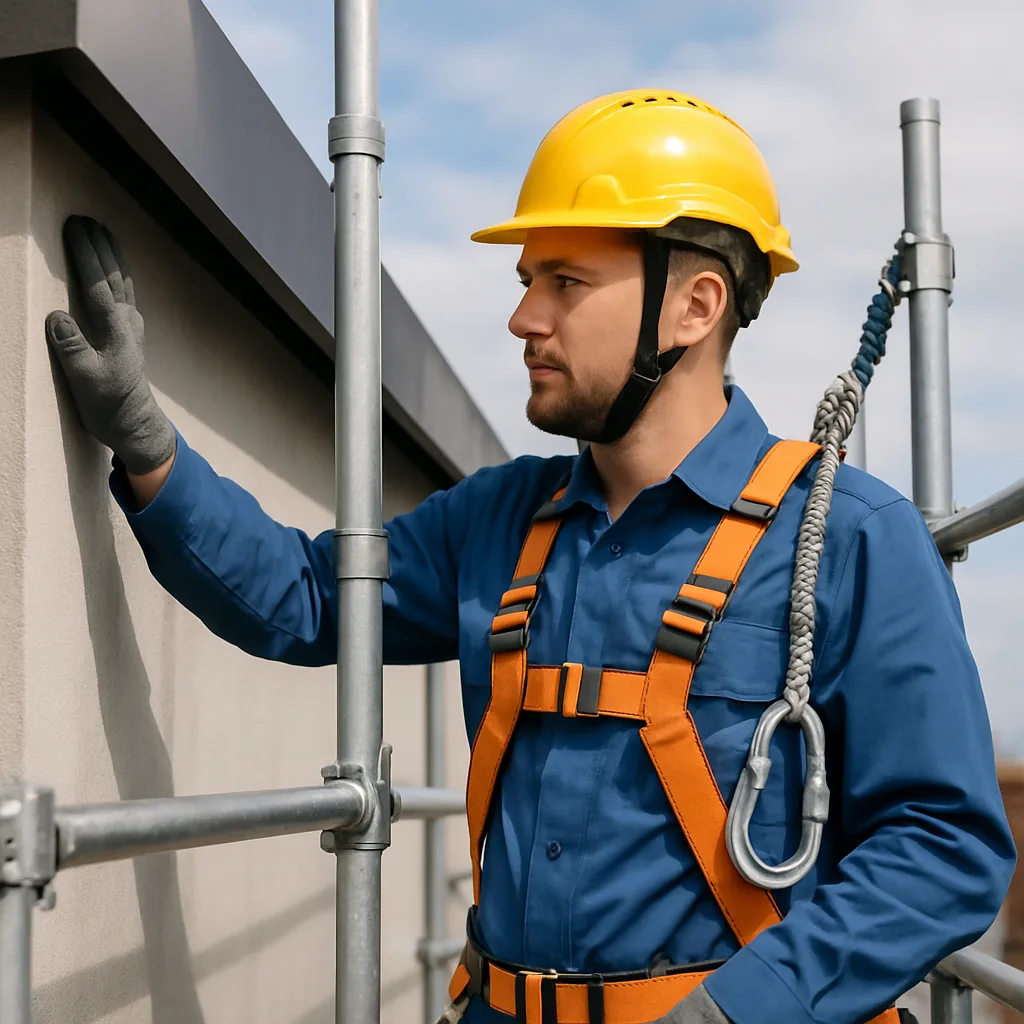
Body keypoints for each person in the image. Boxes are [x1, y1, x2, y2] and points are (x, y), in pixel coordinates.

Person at [44, 90, 1014, 1024]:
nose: (524, 319)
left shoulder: (845, 537)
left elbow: (944, 846)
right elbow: (305, 595)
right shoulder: (501, 519)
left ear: (695, 305)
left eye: (566, 282)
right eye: (527, 283)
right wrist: (147, 444)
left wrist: (738, 1012)